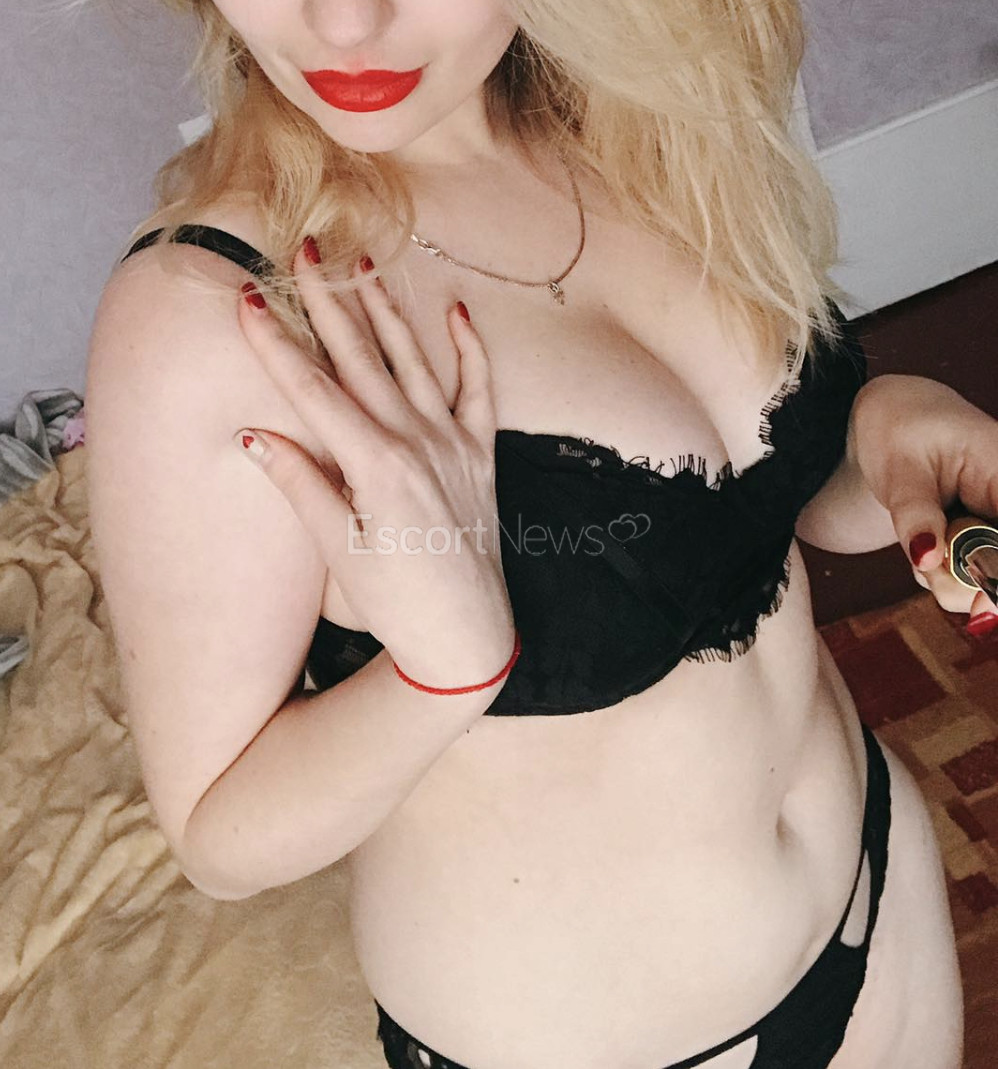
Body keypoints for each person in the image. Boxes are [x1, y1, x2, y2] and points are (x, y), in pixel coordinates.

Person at [83, 1, 986, 1066]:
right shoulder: (214, 311)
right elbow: (218, 838)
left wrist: (885, 436)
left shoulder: (642, 127)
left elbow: (755, 511)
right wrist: (440, 675)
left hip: (878, 884)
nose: (345, 21)